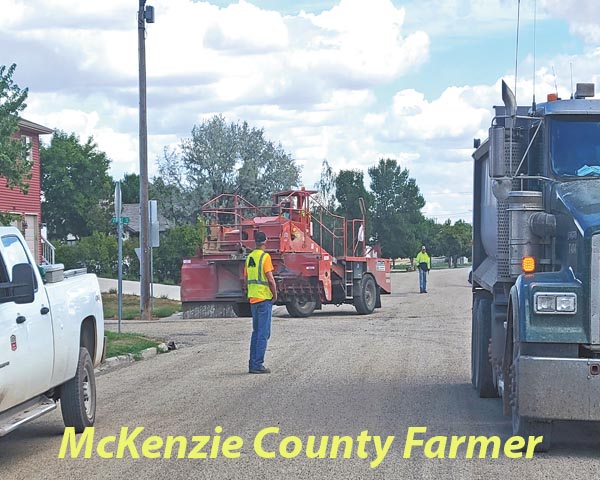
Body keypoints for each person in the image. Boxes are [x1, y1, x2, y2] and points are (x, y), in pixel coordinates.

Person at [245, 231, 278, 374]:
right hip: (264, 299)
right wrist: (275, 295)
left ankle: (252, 363)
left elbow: (246, 279)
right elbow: (270, 279)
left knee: (256, 332)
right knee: (263, 333)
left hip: (253, 299)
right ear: (266, 241)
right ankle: (258, 364)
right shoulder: (265, 257)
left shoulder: (249, 257)